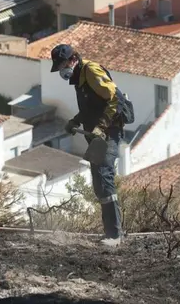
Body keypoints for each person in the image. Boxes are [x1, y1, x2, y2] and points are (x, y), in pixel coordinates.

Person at [50, 44, 123, 247]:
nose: (62, 70)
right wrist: (75, 121)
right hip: (96, 135)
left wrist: (101, 126)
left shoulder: (91, 71)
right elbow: (91, 107)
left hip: (109, 131)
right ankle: (111, 233)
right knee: (99, 181)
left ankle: (115, 236)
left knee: (104, 177)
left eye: (63, 65)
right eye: (59, 67)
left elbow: (114, 99)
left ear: (73, 59)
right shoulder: (79, 78)